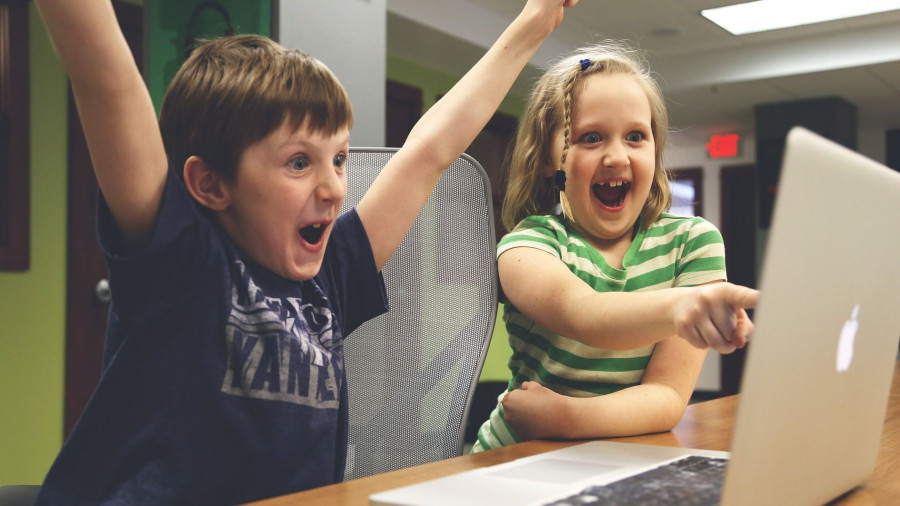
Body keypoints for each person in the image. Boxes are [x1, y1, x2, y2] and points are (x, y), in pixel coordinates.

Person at [32, 0, 577, 503]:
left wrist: (535, 20)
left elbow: (430, 150)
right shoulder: (180, 260)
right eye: (299, 163)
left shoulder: (329, 275)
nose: (335, 188)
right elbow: (105, 80)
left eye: (338, 159)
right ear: (210, 184)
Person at [472, 41, 759, 453]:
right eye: (591, 137)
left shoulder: (692, 243)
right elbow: (585, 314)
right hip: (516, 458)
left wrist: (566, 417)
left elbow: (667, 396)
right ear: (548, 159)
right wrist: (683, 306)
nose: (617, 157)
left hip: (618, 457)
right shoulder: (527, 246)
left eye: (636, 136)